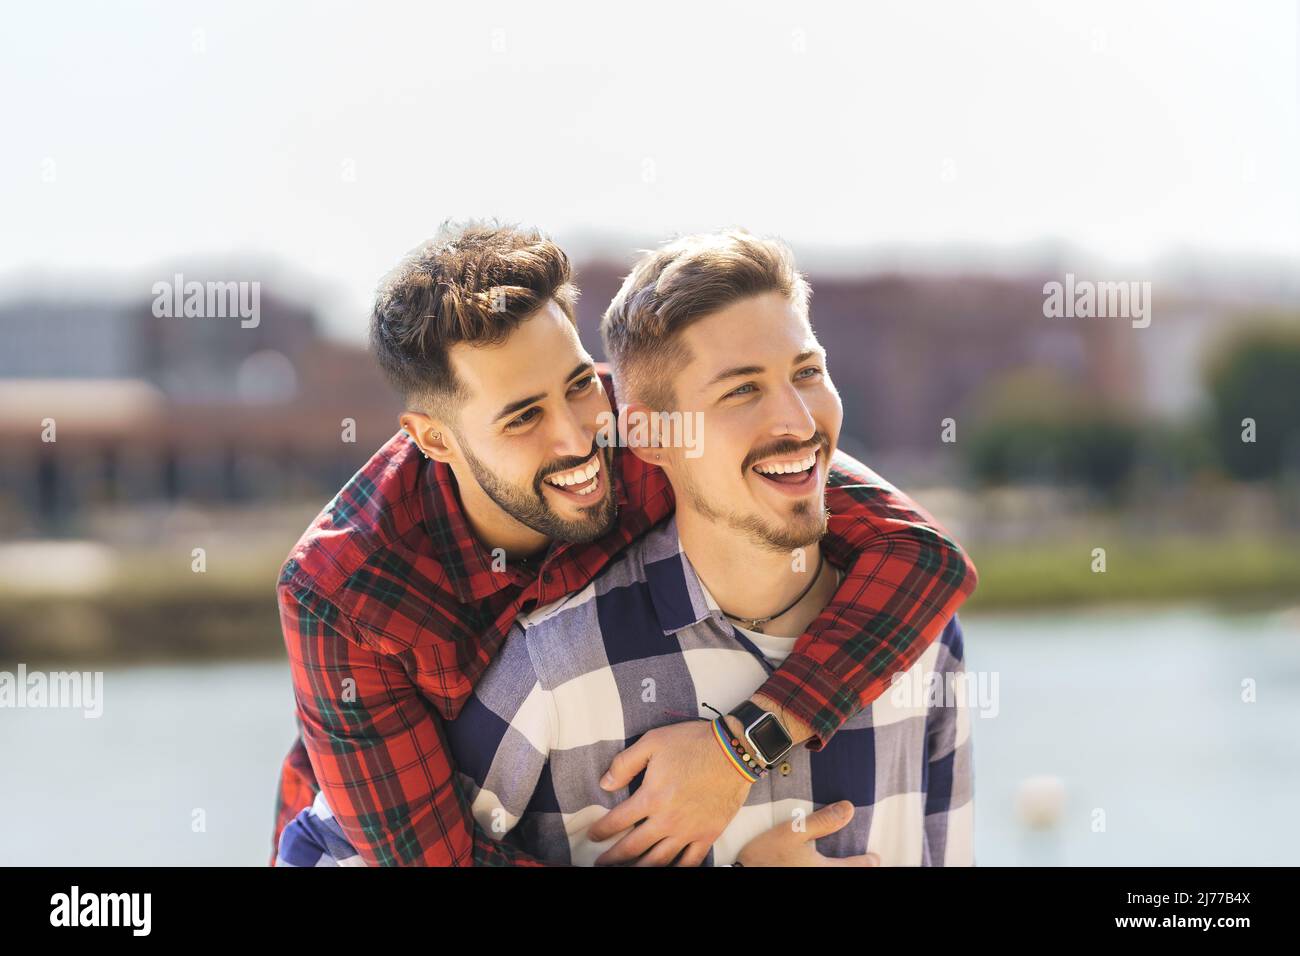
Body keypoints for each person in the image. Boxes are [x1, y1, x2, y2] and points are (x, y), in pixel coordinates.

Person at [272, 222, 976, 865]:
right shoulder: (342, 591)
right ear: (432, 438)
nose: (580, 438)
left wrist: (739, 751)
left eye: (579, 384)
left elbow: (921, 558)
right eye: (522, 418)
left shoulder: (652, 432)